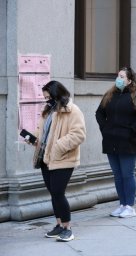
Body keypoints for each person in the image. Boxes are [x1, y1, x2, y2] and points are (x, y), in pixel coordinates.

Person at [30, 80, 86, 242]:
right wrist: (34, 138)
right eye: (45, 98)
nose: (47, 100)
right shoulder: (48, 111)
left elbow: (79, 134)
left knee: (58, 193)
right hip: (45, 158)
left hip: (63, 158)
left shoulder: (72, 110)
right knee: (53, 193)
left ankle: (67, 228)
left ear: (57, 94)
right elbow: (43, 131)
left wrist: (58, 147)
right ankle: (59, 224)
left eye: (49, 97)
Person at [96, 67, 136, 218]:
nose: (118, 79)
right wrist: (104, 128)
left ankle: (130, 206)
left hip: (128, 141)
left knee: (127, 174)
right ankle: (122, 204)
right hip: (110, 139)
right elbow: (99, 112)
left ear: (129, 80)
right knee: (117, 175)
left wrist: (132, 130)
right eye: (118, 76)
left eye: (121, 76)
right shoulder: (110, 94)